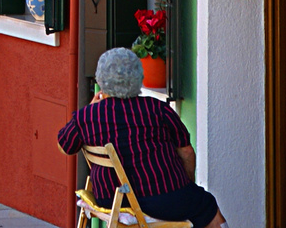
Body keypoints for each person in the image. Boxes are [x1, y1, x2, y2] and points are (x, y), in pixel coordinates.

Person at [57, 48, 225, 228]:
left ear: (101, 80)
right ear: (139, 77)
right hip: (163, 199)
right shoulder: (157, 109)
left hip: (110, 200)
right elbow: (186, 151)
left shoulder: (87, 116)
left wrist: (89, 108)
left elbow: (65, 145)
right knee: (206, 204)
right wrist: (186, 183)